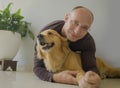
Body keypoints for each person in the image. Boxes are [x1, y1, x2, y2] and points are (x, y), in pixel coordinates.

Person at [33, 6, 101, 88]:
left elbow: (90, 67)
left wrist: (95, 78)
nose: (77, 31)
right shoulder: (45, 34)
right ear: (66, 18)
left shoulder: (88, 42)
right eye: (75, 23)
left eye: (84, 28)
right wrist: (55, 77)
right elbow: (37, 67)